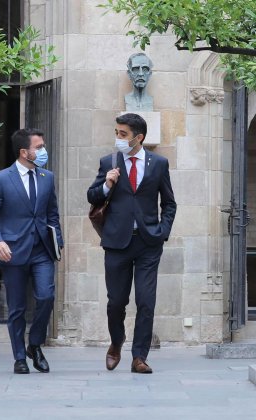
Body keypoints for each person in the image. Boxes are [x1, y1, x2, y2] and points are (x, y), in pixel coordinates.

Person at [87, 113, 177, 374]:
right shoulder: (109, 162)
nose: (118, 138)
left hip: (149, 243)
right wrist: (107, 184)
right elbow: (92, 196)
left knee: (146, 301)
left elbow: (169, 203)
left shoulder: (159, 163)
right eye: (116, 132)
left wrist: (163, 231)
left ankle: (139, 356)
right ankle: (116, 343)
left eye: (123, 134)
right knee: (116, 301)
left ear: (139, 137)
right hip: (116, 242)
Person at [0, 128, 63, 374]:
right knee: (17, 308)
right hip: (13, 251)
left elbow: (52, 214)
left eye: (42, 146)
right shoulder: (1, 179)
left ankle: (35, 344)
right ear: (23, 152)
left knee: (46, 297)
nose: (43, 151)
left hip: (42, 250)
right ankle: (19, 356)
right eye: (38, 147)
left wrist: (57, 242)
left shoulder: (47, 177)